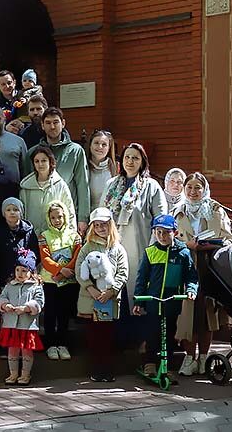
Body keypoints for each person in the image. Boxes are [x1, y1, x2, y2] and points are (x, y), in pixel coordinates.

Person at [172, 172, 232, 376]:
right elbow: (168, 240)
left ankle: (205, 358)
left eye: (198, 187)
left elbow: (228, 238)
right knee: (188, 314)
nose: (193, 192)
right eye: (189, 187)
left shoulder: (216, 210)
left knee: (208, 313)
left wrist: (211, 245)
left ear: (204, 189)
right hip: (186, 268)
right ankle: (189, 358)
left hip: (210, 267)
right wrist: (187, 245)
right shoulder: (177, 212)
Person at [101, 143, 167, 312]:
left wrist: (155, 247)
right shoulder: (111, 185)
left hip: (139, 247)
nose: (130, 161)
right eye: (127, 157)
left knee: (134, 292)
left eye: (135, 158)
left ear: (142, 162)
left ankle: (138, 334)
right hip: (112, 246)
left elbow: (161, 219)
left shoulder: (151, 186)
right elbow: (101, 215)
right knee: (111, 292)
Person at [132, 215, 198, 382]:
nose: (162, 236)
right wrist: (139, 301)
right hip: (153, 301)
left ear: (175, 233)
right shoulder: (150, 252)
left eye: (166, 232)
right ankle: (149, 363)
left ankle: (166, 366)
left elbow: (191, 276)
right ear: (154, 233)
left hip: (172, 302)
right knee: (152, 334)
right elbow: (141, 279)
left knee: (169, 335)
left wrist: (191, 289)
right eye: (158, 232)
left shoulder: (183, 253)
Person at [74, 207, 128, 382]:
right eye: (96, 225)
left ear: (110, 225)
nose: (100, 228)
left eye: (103, 225)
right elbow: (79, 270)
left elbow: (123, 273)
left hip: (108, 301)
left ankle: (107, 369)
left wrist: (111, 291)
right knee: (94, 336)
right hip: (91, 299)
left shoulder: (117, 249)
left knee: (107, 336)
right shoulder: (87, 247)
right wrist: (90, 288)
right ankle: (96, 369)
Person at [25, 107, 90, 234]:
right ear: (42, 126)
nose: (52, 126)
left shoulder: (75, 151)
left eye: (56, 122)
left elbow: (82, 185)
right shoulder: (33, 153)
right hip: (38, 219)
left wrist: (83, 218)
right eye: (48, 123)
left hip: (65, 217)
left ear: (63, 123)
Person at [37, 200, 81, 361]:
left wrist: (65, 271)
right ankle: (50, 345)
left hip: (68, 281)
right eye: (53, 217)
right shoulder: (44, 236)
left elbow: (77, 255)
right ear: (49, 218)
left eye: (60, 217)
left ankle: (63, 344)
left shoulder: (74, 235)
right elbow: (45, 258)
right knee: (50, 314)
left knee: (64, 314)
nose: (57, 220)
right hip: (50, 281)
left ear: (65, 217)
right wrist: (59, 270)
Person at [0, 249, 44, 386]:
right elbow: (2, 298)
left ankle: (25, 374)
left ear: (31, 272)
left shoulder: (35, 287)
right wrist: (5, 305)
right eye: (18, 270)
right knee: (12, 350)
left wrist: (27, 308)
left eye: (24, 270)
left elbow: (39, 302)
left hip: (26, 325)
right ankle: (13, 373)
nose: (20, 274)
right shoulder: (9, 286)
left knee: (26, 350)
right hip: (11, 324)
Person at [19, 146, 76, 235]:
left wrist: (72, 234)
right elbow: (22, 214)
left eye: (44, 160)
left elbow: (69, 211)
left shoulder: (60, 184)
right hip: (31, 235)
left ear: (50, 161)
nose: (40, 164)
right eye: (37, 161)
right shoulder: (26, 186)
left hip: (54, 237)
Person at [0, 198, 40, 286]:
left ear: (21, 212)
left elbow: (35, 254)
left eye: (15, 209)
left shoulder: (29, 231)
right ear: (4, 213)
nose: (12, 212)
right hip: (5, 279)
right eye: (8, 210)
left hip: (25, 279)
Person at [86, 130, 118, 212]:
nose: (100, 147)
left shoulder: (117, 168)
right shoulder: (82, 167)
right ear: (90, 145)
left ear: (109, 148)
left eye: (104, 145)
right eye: (96, 143)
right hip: (87, 218)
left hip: (108, 218)